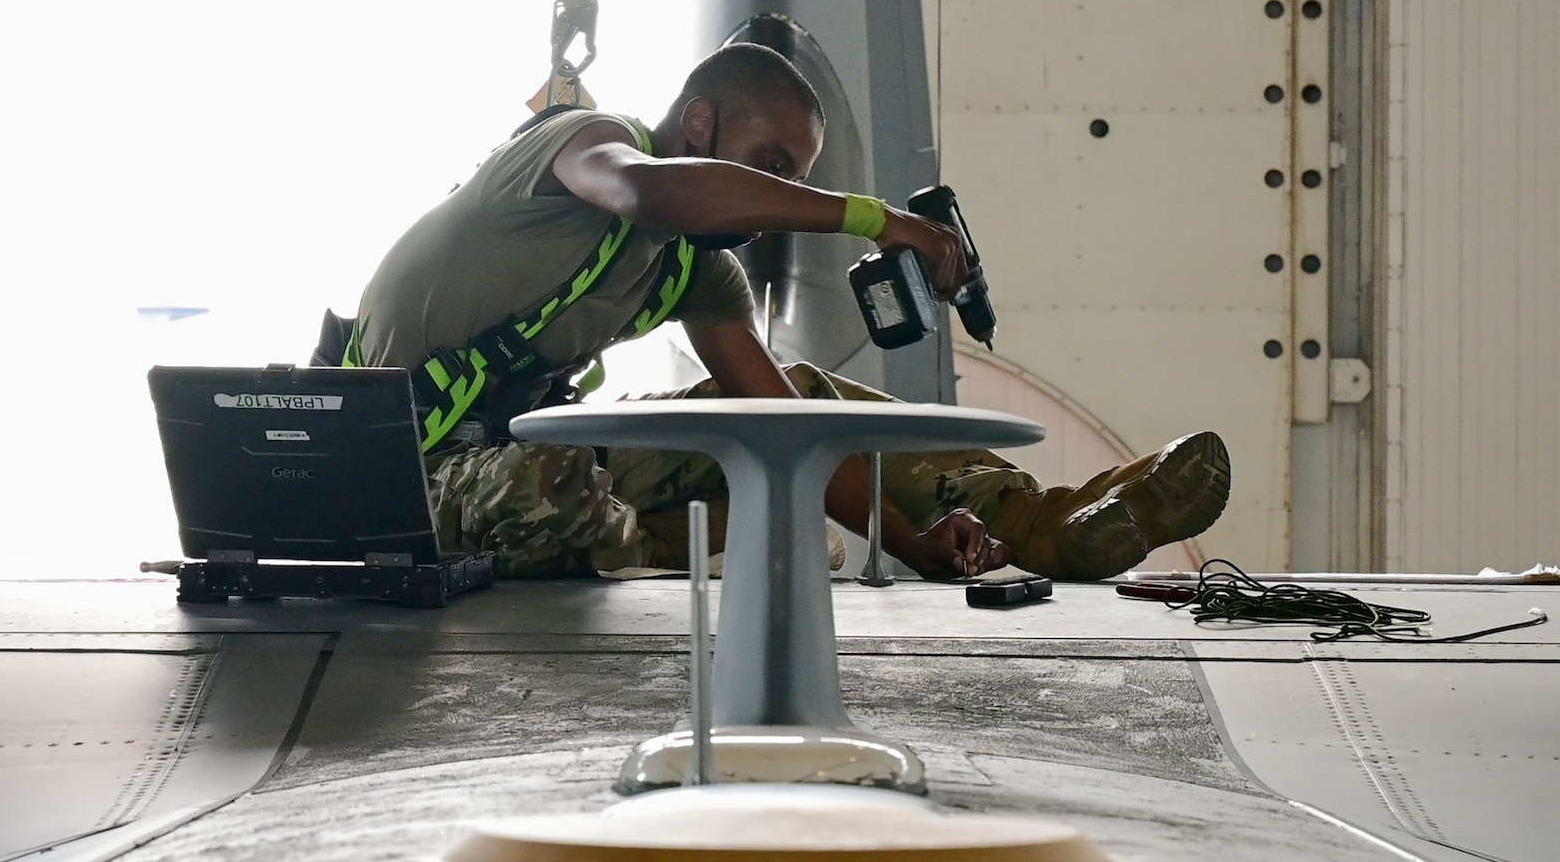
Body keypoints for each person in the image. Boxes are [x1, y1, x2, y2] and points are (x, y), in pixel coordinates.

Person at [323, 42, 1229, 581]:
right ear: (705, 125)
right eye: (771, 165)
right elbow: (654, 193)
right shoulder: (588, 149)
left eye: (792, 178)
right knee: (559, 479)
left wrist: (918, 549)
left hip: (508, 456)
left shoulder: (694, 275)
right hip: (396, 472)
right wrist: (876, 219)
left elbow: (788, 427)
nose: (777, 197)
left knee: (784, 400)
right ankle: (648, 550)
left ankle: (1042, 522)